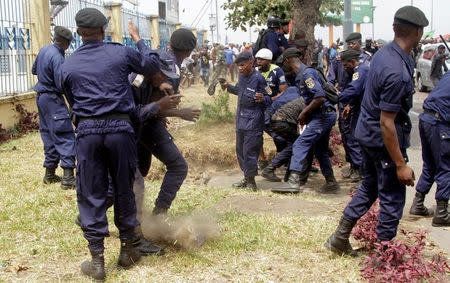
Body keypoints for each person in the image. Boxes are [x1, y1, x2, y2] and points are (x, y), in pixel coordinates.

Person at [61, 8, 162, 280]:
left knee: (91, 192)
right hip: (120, 128)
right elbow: (151, 67)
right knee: (123, 189)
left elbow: (71, 101)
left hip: (87, 132)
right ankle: (128, 251)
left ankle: (97, 261)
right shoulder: (120, 52)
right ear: (104, 29)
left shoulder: (67, 65)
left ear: (79, 33)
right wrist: (140, 40)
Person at [325, 6, 428, 256]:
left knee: (369, 187)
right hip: (382, 140)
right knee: (392, 195)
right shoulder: (397, 71)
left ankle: (339, 238)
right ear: (418, 32)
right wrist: (401, 164)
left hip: (367, 136)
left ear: (394, 29)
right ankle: (383, 256)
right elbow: (387, 122)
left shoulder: (383, 54)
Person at [275, 48, 339, 194]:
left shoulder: (307, 74)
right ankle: (331, 182)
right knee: (321, 150)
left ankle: (293, 182)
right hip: (324, 115)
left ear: (287, 61)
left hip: (323, 115)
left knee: (300, 143)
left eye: (283, 63)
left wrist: (303, 114)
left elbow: (320, 96)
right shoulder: (302, 74)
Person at [32, 26, 76, 190]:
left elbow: (34, 69)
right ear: (66, 42)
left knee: (48, 134)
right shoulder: (58, 57)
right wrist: (73, 103)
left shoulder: (44, 50)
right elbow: (61, 83)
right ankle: (68, 178)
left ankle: (49, 174)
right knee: (64, 133)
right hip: (52, 98)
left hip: (41, 98)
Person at [219, 52, 269, 190]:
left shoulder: (259, 79)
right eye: (238, 66)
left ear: (251, 62)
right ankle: (246, 177)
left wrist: (263, 99)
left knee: (250, 151)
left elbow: (270, 97)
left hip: (254, 121)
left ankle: (251, 182)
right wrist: (228, 86)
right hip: (241, 120)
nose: (240, 68)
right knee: (240, 150)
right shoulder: (242, 77)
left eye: (242, 65)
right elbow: (240, 91)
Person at [408, 71, 450, 226]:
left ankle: (418, 204)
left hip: (426, 119)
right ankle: (442, 214)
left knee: (431, 165)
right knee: (446, 167)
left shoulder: (447, 75)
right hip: (440, 123)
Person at [337, 49, 371, 183]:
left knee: (354, 139)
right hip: (359, 106)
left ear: (352, 61)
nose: (345, 68)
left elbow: (354, 89)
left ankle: (361, 174)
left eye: (346, 65)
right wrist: (349, 105)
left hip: (363, 109)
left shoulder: (360, 71)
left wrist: (338, 96)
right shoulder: (362, 68)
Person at [255, 48, 288, 171]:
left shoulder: (277, 71)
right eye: (257, 59)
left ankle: (283, 157)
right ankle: (262, 160)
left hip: (274, 107)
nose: (258, 62)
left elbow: (283, 91)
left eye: (261, 60)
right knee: (257, 136)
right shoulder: (255, 72)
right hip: (258, 108)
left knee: (277, 134)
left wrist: (271, 99)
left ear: (268, 61)